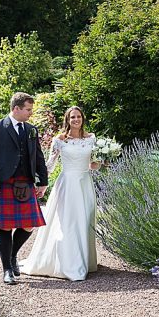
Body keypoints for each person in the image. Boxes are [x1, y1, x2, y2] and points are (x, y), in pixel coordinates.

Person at [18, 105, 100, 281]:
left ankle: (84, 260)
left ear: (83, 119)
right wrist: (39, 182)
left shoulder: (92, 139)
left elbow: (92, 165)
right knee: (68, 222)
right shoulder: (59, 140)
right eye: (72, 117)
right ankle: (69, 264)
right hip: (67, 184)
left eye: (78, 116)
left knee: (84, 221)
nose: (76, 120)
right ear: (67, 120)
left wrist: (102, 162)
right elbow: (50, 165)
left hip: (85, 184)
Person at [0, 92, 49, 285]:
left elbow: (38, 157)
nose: (30, 113)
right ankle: (7, 270)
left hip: (25, 182)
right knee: (6, 226)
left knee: (29, 225)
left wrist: (43, 181)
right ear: (16, 108)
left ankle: (12, 255)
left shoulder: (31, 129)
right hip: (3, 183)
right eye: (28, 109)